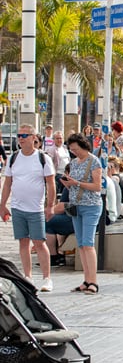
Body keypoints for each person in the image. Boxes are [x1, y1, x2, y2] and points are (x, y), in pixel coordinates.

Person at [0, 124, 56, 291]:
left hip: (36, 208)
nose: (21, 139)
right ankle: (28, 276)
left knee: (39, 242)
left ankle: (47, 278)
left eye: (24, 136)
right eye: (19, 136)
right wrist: (3, 204)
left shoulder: (43, 158)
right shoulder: (14, 158)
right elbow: (8, 182)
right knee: (23, 242)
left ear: (34, 138)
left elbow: (50, 183)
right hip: (18, 207)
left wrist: (50, 205)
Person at [61, 133, 104, 295]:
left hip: (91, 205)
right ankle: (86, 280)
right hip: (76, 205)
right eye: (71, 150)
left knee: (88, 243)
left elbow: (97, 186)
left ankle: (93, 281)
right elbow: (74, 183)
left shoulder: (94, 161)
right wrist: (68, 184)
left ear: (83, 146)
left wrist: (76, 183)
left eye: (76, 149)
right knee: (81, 244)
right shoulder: (73, 162)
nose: (74, 152)